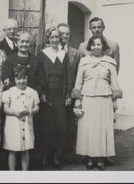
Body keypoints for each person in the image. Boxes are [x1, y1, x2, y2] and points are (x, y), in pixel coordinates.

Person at [72, 35, 122, 170]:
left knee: (102, 128)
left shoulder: (110, 62)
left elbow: (114, 84)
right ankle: (89, 157)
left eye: (99, 45)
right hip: (87, 99)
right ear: (89, 47)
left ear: (104, 47)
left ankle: (100, 158)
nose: (96, 47)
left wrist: (115, 100)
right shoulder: (84, 62)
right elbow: (78, 83)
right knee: (88, 128)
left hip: (104, 99)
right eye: (93, 45)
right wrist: (77, 100)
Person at [37, 27, 71, 169]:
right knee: (47, 127)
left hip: (60, 96)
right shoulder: (42, 54)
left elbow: (69, 76)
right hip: (47, 96)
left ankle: (57, 155)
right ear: (48, 39)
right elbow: (39, 76)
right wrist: (42, 93)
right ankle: (46, 155)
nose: (55, 39)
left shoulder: (64, 55)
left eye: (57, 37)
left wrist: (68, 94)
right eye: (52, 37)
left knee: (60, 127)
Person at [2, 65, 40, 170]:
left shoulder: (32, 92)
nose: (21, 81)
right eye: (18, 78)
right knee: (13, 150)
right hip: (13, 125)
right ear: (14, 79)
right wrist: (14, 113)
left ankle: (24, 173)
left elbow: (37, 108)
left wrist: (29, 111)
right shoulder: (9, 92)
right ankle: (12, 173)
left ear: (28, 78)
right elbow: (5, 108)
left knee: (25, 149)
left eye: (24, 78)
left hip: (27, 125)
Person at [57, 23, 81, 162]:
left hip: (70, 94)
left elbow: (78, 75)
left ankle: (67, 153)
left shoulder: (75, 53)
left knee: (69, 124)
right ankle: (56, 153)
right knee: (56, 124)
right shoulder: (50, 51)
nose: (65, 36)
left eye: (67, 34)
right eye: (62, 33)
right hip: (55, 94)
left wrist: (76, 95)